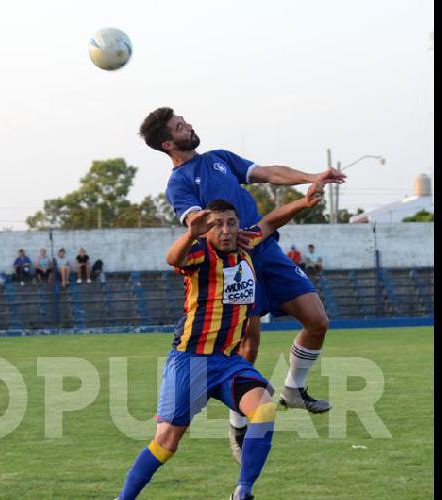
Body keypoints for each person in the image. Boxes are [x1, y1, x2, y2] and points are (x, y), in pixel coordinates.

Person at [140, 106, 345, 464]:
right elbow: (194, 223)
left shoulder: (219, 158)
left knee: (317, 321)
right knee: (246, 344)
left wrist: (311, 177)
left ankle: (294, 389)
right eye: (179, 126)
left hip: (266, 248)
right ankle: (238, 423)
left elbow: (266, 172)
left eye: (184, 119)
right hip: (230, 266)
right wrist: (212, 227)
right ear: (169, 143)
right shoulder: (178, 183)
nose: (188, 124)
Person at [116, 185, 322, 500]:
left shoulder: (245, 244)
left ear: (239, 226)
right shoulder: (199, 252)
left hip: (227, 361)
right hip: (190, 360)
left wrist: (304, 202)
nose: (225, 230)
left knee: (264, 409)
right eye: (217, 224)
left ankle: (243, 491)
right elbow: (172, 257)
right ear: (207, 228)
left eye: (230, 223)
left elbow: (270, 222)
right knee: (167, 442)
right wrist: (189, 234)